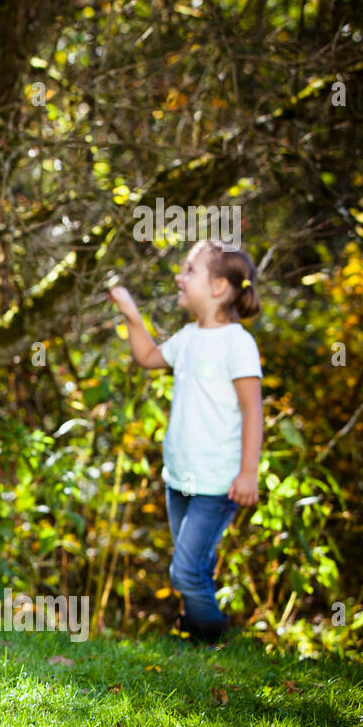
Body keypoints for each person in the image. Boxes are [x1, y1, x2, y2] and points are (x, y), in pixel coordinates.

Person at [108, 239, 263, 642]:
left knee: (185, 571)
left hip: (217, 484)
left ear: (218, 287)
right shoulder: (190, 336)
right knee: (199, 564)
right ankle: (196, 635)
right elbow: (148, 357)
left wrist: (249, 474)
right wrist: (130, 313)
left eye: (190, 270)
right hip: (180, 479)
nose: (179, 277)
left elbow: (252, 411)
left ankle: (212, 634)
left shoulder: (237, 343)